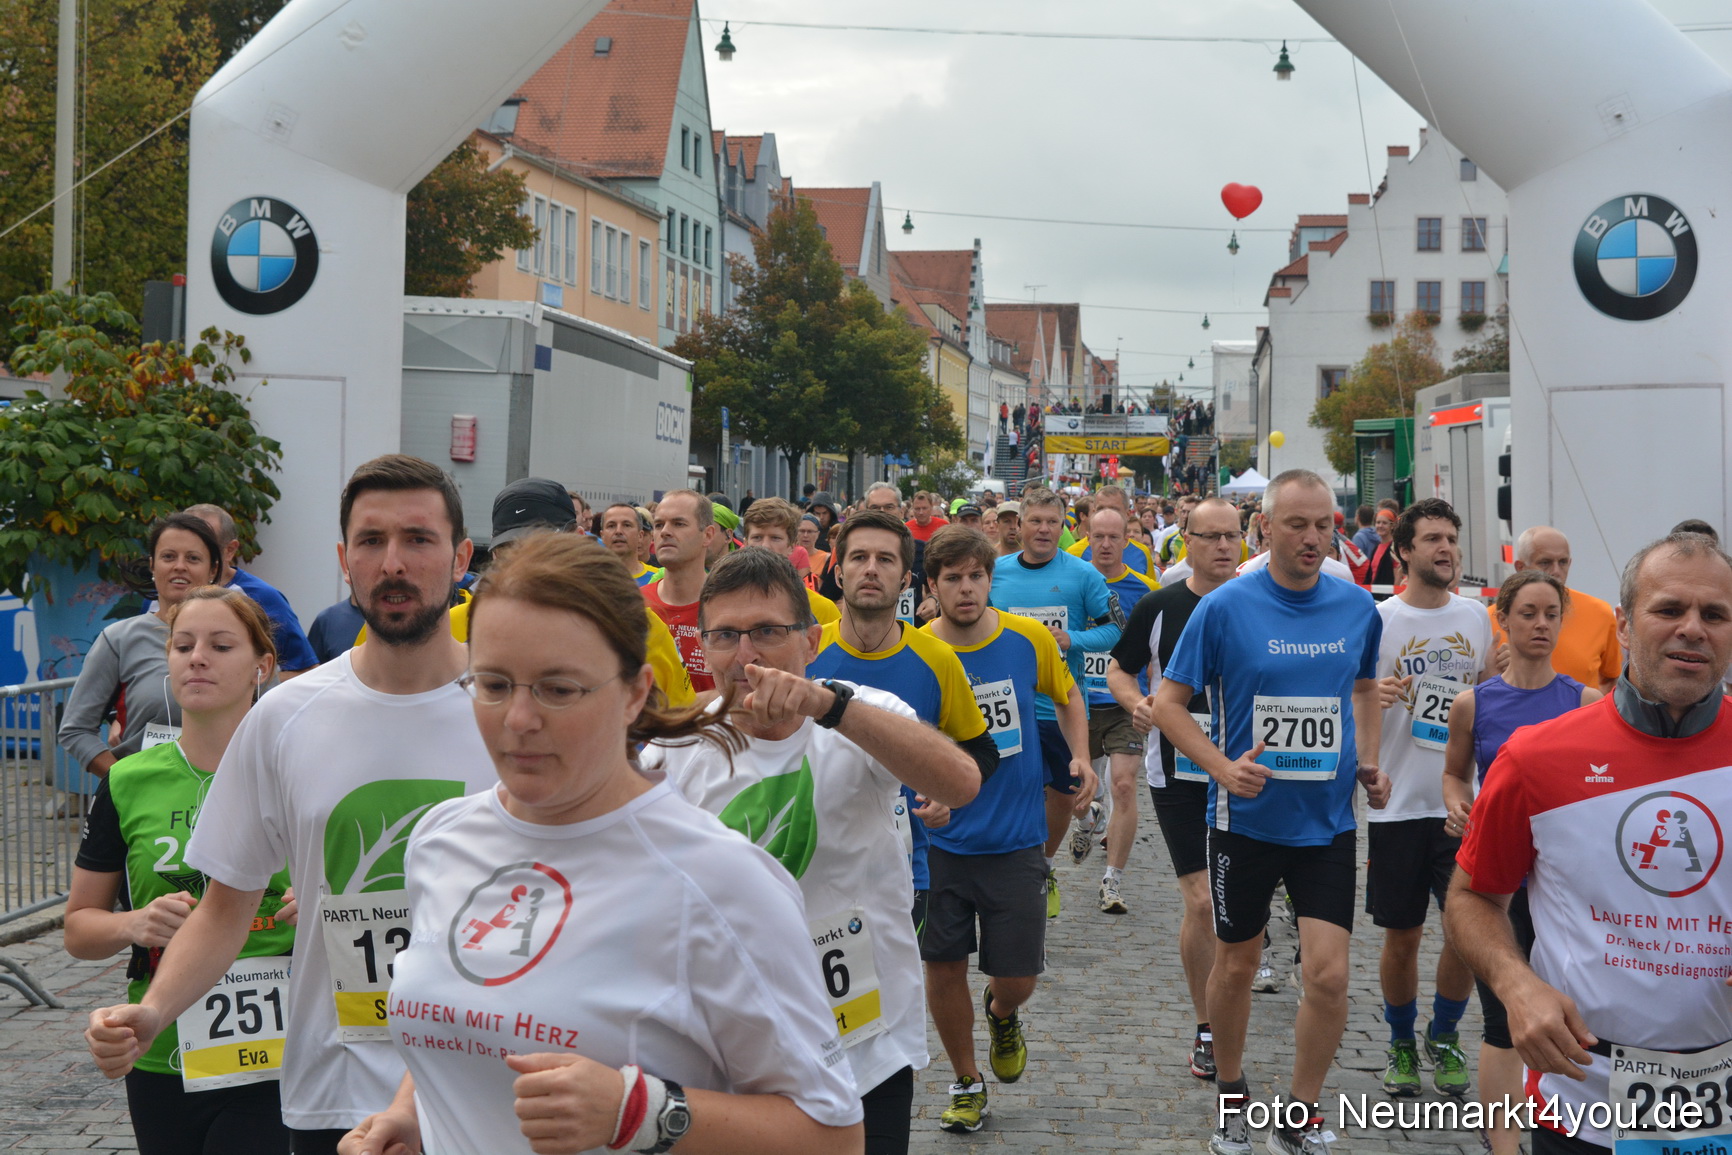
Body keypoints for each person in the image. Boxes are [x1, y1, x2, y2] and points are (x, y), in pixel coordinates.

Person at [337, 535, 864, 1155]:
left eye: (559, 689)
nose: (519, 720)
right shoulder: (439, 840)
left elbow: (834, 1136)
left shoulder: (720, 881)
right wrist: (414, 1111)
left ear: (636, 692)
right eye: (494, 684)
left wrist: (640, 1112)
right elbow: (469, 1014)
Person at [81, 455, 502, 1154]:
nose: (393, 562)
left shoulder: (510, 710)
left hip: (481, 1083)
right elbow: (224, 907)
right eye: (371, 541)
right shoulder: (285, 718)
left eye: (418, 539)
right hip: (333, 1090)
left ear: (460, 556)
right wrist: (153, 1011)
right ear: (344, 559)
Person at [654, 547, 978, 1155]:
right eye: (725, 635)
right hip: (729, 1048)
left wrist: (827, 706)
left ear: (809, 641)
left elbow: (958, 783)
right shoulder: (671, 748)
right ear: (701, 646)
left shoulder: (861, 712)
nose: (745, 655)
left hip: (861, 1044)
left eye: (767, 633)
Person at [1447, 532, 1732, 1155]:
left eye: (1714, 614)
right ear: (1624, 627)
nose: (1693, 629)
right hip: (1579, 1098)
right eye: (1669, 610)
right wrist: (1517, 985)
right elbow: (1472, 898)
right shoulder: (1535, 758)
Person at [1151, 469, 1390, 1155]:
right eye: (1297, 524)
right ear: (1267, 528)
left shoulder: (1355, 608)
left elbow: (1367, 684)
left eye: (1324, 525)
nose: (1313, 537)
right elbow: (1168, 703)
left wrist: (1368, 758)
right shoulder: (1225, 608)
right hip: (1245, 822)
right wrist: (1221, 765)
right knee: (1235, 965)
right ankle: (1231, 1091)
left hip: (1328, 824)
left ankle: (1301, 1108)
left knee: (1330, 973)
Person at [70, 586, 293, 1155]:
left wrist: (319, 901)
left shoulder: (300, 769)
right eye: (183, 645)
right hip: (161, 1049)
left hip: (283, 1048)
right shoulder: (126, 780)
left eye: (221, 646)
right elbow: (79, 929)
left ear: (260, 667)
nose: (198, 658)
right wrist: (132, 924)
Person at [919, 527, 1089, 1133]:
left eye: (976, 577)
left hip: (1017, 838)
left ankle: (1001, 1011)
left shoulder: (1027, 638)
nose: (966, 589)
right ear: (932, 586)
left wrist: (1081, 756)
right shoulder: (916, 651)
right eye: (953, 579)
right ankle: (966, 1080)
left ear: (990, 580)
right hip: (938, 844)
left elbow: (1068, 695)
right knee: (942, 966)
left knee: (1017, 978)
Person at [1441, 570, 1599, 1155]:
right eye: (1528, 613)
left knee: (1570, 1014)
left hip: (1562, 886)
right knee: (1502, 1018)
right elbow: (1454, 773)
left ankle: (1575, 1124)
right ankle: (1504, 1145)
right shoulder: (1473, 703)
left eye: (1551, 614)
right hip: (1500, 886)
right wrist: (1457, 805)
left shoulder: (1584, 702)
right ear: (1502, 620)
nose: (1540, 624)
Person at [1108, 497, 1244, 1079]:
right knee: (1199, 900)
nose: (1221, 546)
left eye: (1231, 536)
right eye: (1209, 536)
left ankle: (1234, 996)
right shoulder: (1162, 605)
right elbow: (1120, 666)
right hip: (1177, 772)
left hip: (1246, 771)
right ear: (1184, 540)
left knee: (1238, 904)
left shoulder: (1260, 604)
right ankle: (1207, 1026)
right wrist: (1138, 701)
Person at [807, 511, 998, 919]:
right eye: (858, 558)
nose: (871, 569)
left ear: (905, 581)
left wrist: (945, 793)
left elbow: (982, 752)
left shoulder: (937, 658)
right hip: (810, 865)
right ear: (838, 574)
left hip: (901, 873)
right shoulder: (804, 652)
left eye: (886, 560)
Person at [1365, 499, 1493, 1100]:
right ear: (1404, 551)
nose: (1447, 549)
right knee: (1403, 936)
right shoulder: (1378, 621)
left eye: (1453, 538)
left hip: (1462, 803)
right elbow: (1349, 699)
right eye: (1434, 539)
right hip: (1397, 802)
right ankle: (1398, 1041)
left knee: (1467, 932)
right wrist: (1376, 696)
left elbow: (1493, 699)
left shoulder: (1477, 618)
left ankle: (1443, 1035)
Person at [988, 487, 1122, 918]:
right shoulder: (996, 572)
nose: (1044, 529)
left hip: (1061, 708)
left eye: (1053, 522)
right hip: (1007, 706)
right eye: (1035, 521)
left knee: (1062, 798)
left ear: (1065, 527)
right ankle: (1019, 870)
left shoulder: (1084, 576)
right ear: (1019, 526)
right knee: (1011, 793)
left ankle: (1044, 867)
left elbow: (1116, 631)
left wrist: (1072, 638)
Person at [60, 513, 224, 779]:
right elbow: (75, 730)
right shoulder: (119, 639)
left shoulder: (243, 638)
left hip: (221, 800)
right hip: (142, 808)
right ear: (152, 565)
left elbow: (272, 721)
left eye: (193, 558)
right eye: (168, 557)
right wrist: (126, 783)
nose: (179, 566)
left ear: (213, 569)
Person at [1073, 507, 1157, 912]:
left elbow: (1157, 649)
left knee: (1123, 785)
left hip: (1125, 701)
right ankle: (1089, 821)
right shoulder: (1071, 577)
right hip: (1076, 700)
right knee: (1072, 789)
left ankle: (1112, 882)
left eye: (1114, 537)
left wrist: (1154, 697)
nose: (1105, 545)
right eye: (1098, 536)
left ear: (1128, 540)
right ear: (1086, 536)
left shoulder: (1145, 589)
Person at [183, 505, 318, 676]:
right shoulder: (157, 599)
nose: (184, 562)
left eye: (205, 545)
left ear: (230, 550)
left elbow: (306, 671)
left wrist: (245, 687)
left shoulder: (262, 597)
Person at [1489, 526, 1622, 691]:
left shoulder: (1600, 613)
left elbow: (1611, 679)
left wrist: (1590, 710)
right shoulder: (1489, 619)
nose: (1556, 571)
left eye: (1563, 562)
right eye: (1545, 562)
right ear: (1520, 567)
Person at [644, 489, 719, 693]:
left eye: (679, 524)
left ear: (708, 535)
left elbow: (747, 687)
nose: (665, 532)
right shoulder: (633, 604)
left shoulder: (730, 606)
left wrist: (689, 707)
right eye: (658, 525)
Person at [740, 496, 842, 626]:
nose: (765, 546)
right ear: (745, 543)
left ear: (792, 546)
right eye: (757, 537)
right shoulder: (728, 600)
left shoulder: (822, 609)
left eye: (775, 538)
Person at [599, 502, 658, 585]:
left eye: (626, 525)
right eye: (611, 526)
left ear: (640, 535)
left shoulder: (657, 579)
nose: (618, 531)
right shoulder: (588, 579)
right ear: (602, 536)